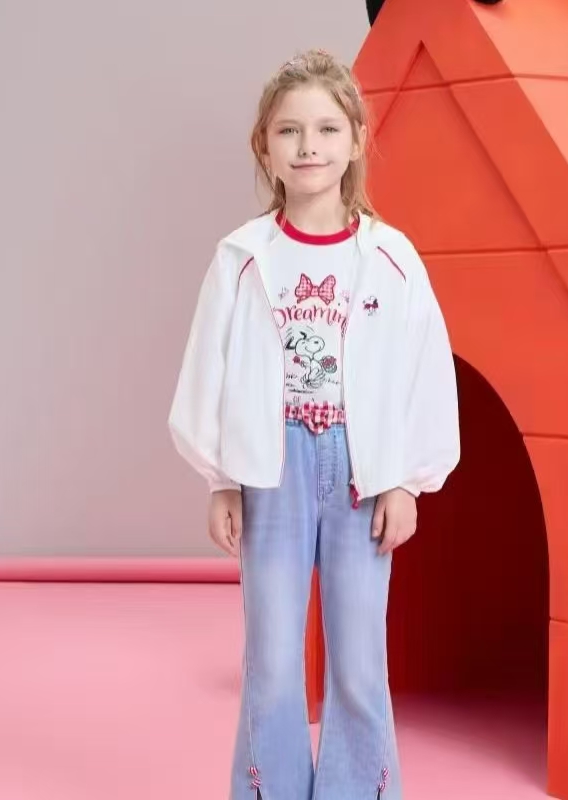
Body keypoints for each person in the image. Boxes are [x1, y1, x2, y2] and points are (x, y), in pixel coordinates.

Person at [168, 48, 460, 800]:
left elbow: (425, 371)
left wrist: (408, 480)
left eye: (328, 129)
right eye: (289, 131)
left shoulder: (391, 258)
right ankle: (267, 788)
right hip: (272, 468)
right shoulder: (242, 257)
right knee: (272, 657)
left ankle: (358, 789)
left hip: (363, 468)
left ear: (357, 140)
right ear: (264, 147)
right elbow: (210, 368)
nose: (309, 146)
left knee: (359, 660)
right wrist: (221, 478)